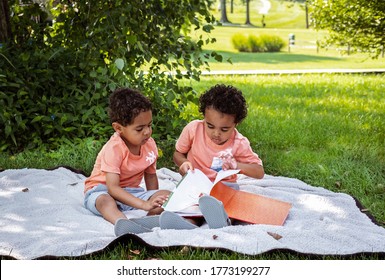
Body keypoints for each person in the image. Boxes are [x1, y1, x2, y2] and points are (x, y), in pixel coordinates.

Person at [164, 84, 264, 229]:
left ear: (236, 123)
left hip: (224, 187)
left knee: (229, 207)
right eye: (210, 126)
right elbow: (177, 154)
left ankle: (222, 220)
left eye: (224, 129)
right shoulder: (193, 129)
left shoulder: (239, 142)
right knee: (189, 209)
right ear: (203, 116)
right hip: (195, 184)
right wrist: (184, 163)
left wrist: (237, 165)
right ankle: (188, 224)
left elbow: (259, 172)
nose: (216, 133)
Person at [83, 88, 170, 236]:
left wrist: (153, 198)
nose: (147, 132)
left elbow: (150, 175)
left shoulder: (149, 144)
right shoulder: (114, 148)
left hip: (132, 191)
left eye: (149, 125)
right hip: (102, 190)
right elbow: (113, 188)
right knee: (105, 202)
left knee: (168, 195)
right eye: (140, 129)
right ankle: (124, 224)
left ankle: (150, 219)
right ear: (119, 128)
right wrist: (143, 204)